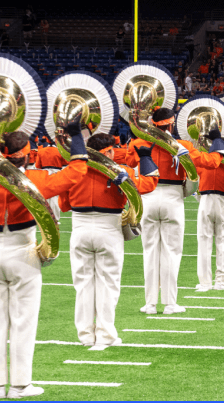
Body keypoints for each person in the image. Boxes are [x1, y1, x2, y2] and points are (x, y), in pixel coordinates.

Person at [0, 125, 88, 399]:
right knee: (23, 322)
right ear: (26, 155)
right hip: (22, 252)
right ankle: (20, 385)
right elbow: (78, 170)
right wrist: (76, 136)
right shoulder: (34, 179)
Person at [58, 134, 158, 348]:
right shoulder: (120, 170)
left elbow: (64, 205)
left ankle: (85, 335)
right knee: (108, 283)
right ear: (110, 151)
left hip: (80, 226)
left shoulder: (74, 168)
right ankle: (105, 335)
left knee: (83, 284)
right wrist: (146, 158)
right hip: (108, 226)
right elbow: (149, 184)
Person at [125, 108, 223, 315]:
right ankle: (170, 303)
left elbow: (129, 162)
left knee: (150, 251)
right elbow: (212, 162)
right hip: (173, 198)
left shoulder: (138, 144)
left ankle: (150, 303)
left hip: (148, 197)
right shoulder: (183, 145)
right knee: (171, 252)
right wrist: (218, 142)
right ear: (171, 124)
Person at [195, 130, 224, 291]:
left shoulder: (204, 163)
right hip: (222, 201)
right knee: (223, 242)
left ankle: (204, 283)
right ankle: (222, 281)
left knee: (204, 242)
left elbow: (194, 183)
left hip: (205, 200)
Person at [35, 141, 69, 222]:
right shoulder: (60, 151)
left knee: (45, 197)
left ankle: (45, 218)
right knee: (55, 197)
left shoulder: (41, 151)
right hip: (56, 173)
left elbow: (37, 166)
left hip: (44, 173)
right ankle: (55, 219)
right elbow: (66, 164)